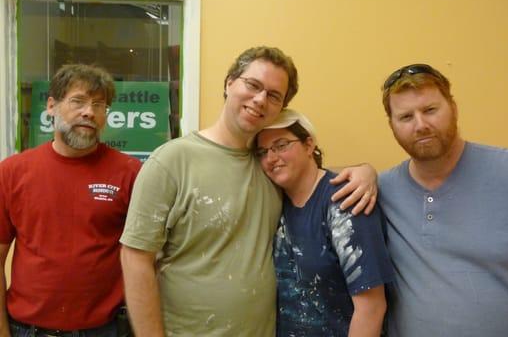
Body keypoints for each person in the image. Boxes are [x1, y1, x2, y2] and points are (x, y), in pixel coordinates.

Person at [119, 46, 378, 336]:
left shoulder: (270, 166)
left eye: (273, 95)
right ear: (230, 83)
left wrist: (365, 171)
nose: (259, 100)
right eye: (252, 85)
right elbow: (135, 258)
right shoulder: (170, 161)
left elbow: (311, 178)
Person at [378, 63, 508, 336]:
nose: (421, 125)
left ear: (453, 108)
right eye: (405, 117)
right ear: (391, 126)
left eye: (430, 110)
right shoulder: (382, 191)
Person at [0, 64, 141, 336]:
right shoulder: (12, 172)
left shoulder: (131, 173)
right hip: (28, 330)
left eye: (99, 105)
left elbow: (147, 259)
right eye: (78, 101)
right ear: (51, 106)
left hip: (106, 330)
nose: (89, 112)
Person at [255, 109, 394, 337]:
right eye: (263, 151)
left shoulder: (345, 201)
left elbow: (372, 308)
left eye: (281, 145)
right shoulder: (274, 201)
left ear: (309, 145)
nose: (271, 158)